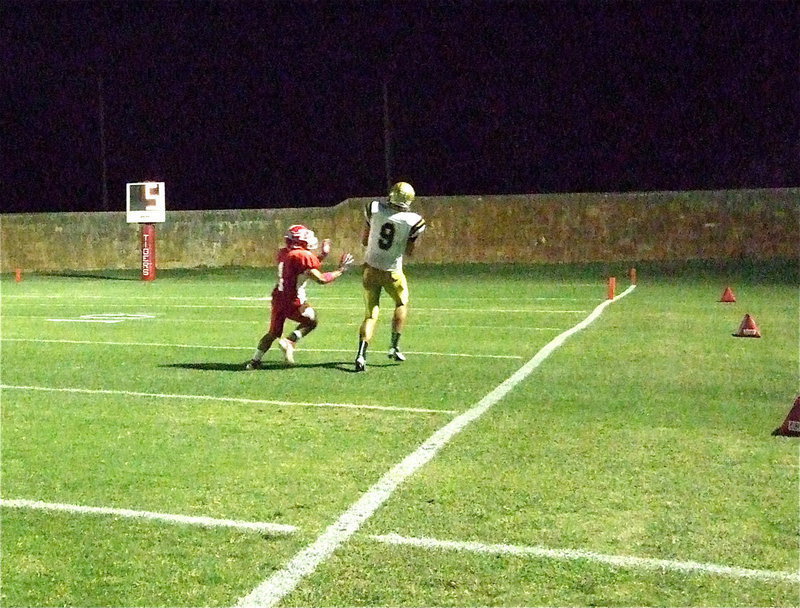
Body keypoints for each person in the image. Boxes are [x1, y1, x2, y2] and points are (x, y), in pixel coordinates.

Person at [246, 224, 353, 369]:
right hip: (293, 300)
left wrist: (323, 256)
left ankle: (254, 361)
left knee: (273, 333)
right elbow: (321, 278)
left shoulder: (284, 253)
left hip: (278, 297)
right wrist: (341, 270)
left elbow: (302, 266)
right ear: (300, 240)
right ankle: (290, 341)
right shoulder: (302, 256)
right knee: (312, 321)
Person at [354, 181, 426, 372]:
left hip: (370, 269)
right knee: (401, 303)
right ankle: (394, 346)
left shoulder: (374, 208)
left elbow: (364, 239)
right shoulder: (414, 221)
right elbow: (410, 251)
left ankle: (361, 355)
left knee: (370, 315)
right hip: (392, 271)